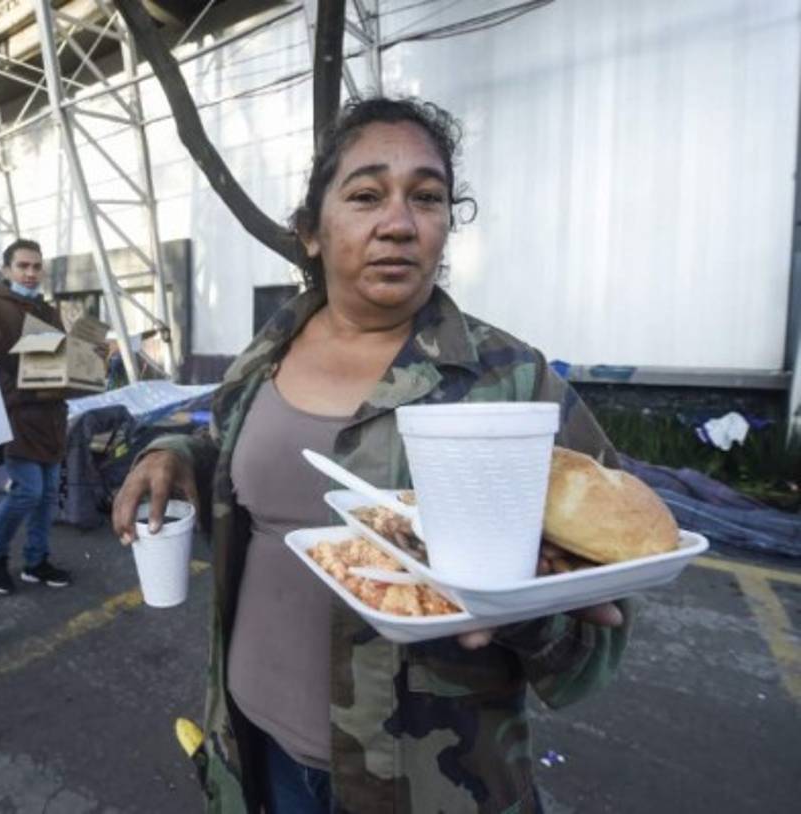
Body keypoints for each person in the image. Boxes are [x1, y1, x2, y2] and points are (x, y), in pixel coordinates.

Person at [112, 97, 629, 813]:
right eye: (365, 195)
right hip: (254, 749)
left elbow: (603, 616)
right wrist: (173, 452)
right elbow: (232, 450)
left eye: (428, 197)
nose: (399, 223)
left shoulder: (510, 382)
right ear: (312, 232)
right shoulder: (267, 352)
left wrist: (517, 605)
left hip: (428, 787)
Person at [0, 238, 72, 594]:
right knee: (28, 492)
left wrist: (83, 367)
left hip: (51, 417)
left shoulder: (46, 310)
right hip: (15, 418)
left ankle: (36, 561)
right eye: (23, 266)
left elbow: (57, 362)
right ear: (6, 270)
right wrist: (32, 389)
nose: (30, 273)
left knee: (45, 496)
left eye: (36, 266)